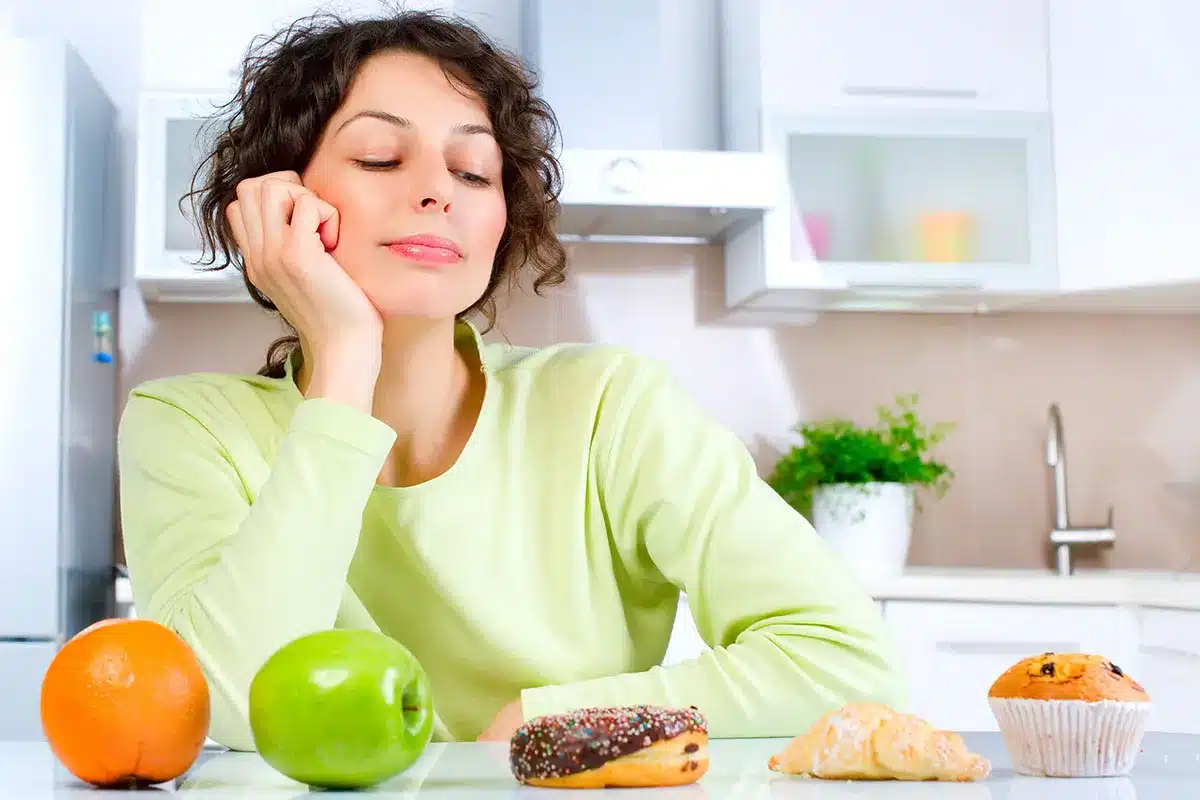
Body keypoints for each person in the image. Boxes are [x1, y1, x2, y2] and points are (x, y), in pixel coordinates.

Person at [117, 8, 906, 752]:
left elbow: (845, 663)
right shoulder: (186, 426)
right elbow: (225, 705)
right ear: (279, 201)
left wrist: (545, 720)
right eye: (379, 158)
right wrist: (346, 357)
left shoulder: (609, 408)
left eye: (472, 171)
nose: (435, 190)